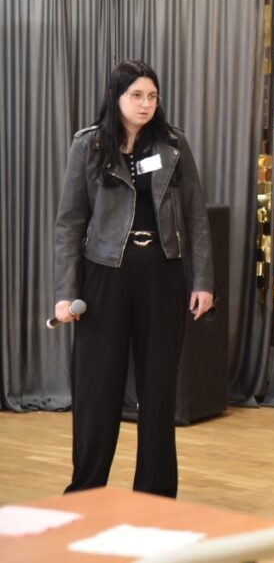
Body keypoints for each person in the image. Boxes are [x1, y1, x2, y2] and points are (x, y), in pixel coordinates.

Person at [53, 59, 214, 499]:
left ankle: (156, 496)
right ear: (116, 97)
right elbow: (69, 223)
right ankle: (86, 491)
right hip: (104, 277)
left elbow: (196, 216)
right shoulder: (88, 145)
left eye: (152, 96)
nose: (146, 104)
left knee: (158, 392)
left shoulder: (173, 144)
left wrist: (203, 281)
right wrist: (66, 292)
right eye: (137, 95)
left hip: (163, 275)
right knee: (97, 391)